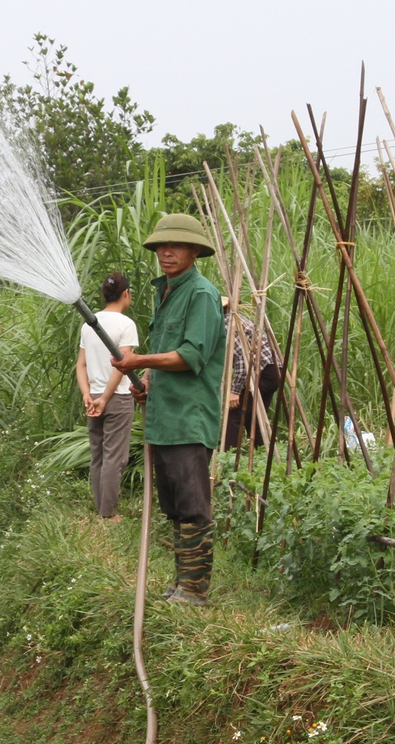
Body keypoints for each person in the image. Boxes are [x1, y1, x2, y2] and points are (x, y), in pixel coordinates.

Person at [112, 213, 226, 606]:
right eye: (161, 245)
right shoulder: (167, 292)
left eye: (176, 245)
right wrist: (147, 386)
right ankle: (181, 584)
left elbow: (192, 355)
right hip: (164, 417)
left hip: (188, 419)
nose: (167, 252)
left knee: (193, 506)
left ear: (195, 251)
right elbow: (168, 358)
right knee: (175, 507)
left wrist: (140, 361)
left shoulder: (201, 294)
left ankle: (195, 590)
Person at [76, 272, 139, 518]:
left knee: (98, 454)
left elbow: (80, 365)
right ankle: (108, 514)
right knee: (115, 457)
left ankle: (101, 508)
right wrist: (106, 398)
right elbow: (122, 364)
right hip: (118, 397)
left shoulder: (89, 323)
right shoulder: (125, 324)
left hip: (94, 397)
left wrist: (88, 395)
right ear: (126, 294)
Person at [223, 304, 281, 450]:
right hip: (273, 370)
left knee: (234, 415)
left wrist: (235, 391)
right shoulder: (236, 319)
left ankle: (228, 456)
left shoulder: (228, 323)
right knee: (255, 418)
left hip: (262, 372)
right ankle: (264, 454)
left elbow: (243, 359)